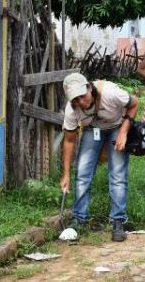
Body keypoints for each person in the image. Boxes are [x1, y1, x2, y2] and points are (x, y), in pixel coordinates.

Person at [59, 72, 138, 242]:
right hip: (92, 129)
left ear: (89, 87)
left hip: (117, 125)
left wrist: (124, 132)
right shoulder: (71, 110)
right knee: (82, 174)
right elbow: (69, 140)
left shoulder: (110, 92)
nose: (81, 102)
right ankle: (79, 219)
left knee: (117, 174)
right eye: (75, 100)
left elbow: (134, 104)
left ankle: (118, 220)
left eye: (82, 96)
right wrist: (65, 173)